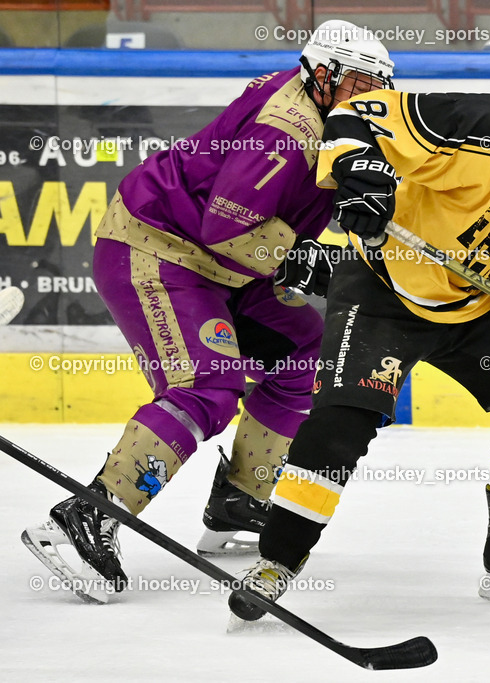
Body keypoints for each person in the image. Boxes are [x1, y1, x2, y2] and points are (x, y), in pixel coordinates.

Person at [228, 44, 490, 618]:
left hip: (470, 302)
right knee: (345, 417)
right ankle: (278, 560)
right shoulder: (474, 123)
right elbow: (357, 116)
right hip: (380, 286)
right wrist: (361, 174)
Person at [21, 20, 394, 604]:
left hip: (226, 264)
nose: (369, 98)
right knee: (206, 384)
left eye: (379, 85)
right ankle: (89, 514)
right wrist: (304, 257)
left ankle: (241, 498)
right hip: (160, 250)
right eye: (358, 85)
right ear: (322, 76)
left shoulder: (330, 111)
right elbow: (226, 224)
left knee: (303, 349)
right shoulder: (284, 133)